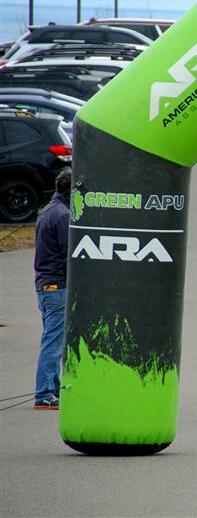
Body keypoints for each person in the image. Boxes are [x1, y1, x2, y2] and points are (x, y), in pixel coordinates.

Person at [32, 169, 72, 410]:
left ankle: (52, 388)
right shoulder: (63, 215)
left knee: (52, 338)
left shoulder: (47, 210)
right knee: (54, 342)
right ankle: (45, 393)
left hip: (45, 286)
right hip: (58, 286)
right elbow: (70, 254)